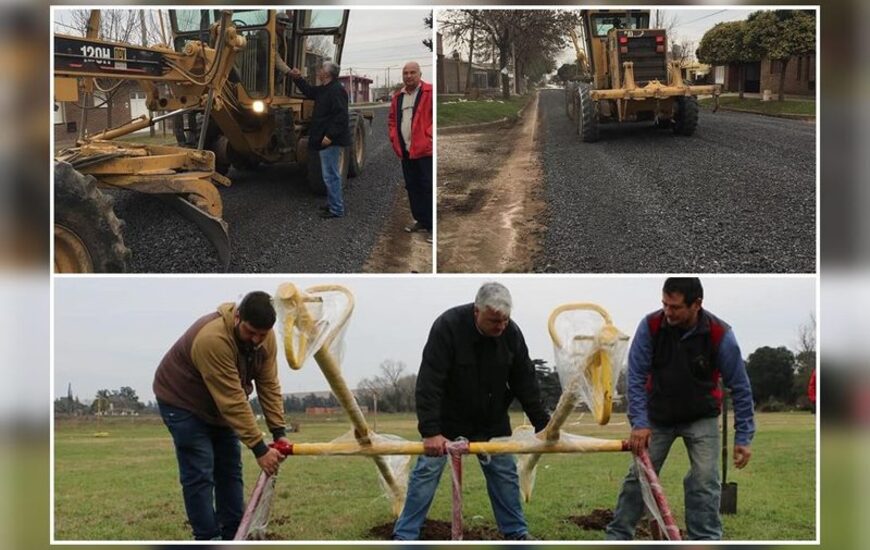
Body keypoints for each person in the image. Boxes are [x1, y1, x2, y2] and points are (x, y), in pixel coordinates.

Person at [392, 282, 550, 541]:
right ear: (477, 311)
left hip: (492, 421)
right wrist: (431, 432)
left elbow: (525, 381)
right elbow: (430, 381)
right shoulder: (448, 327)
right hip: (447, 422)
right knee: (426, 474)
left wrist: (543, 425)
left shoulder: (511, 334)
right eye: (493, 321)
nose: (500, 326)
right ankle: (405, 536)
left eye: (505, 320)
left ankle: (516, 534)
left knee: (504, 475)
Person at [605, 278, 756, 541]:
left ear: (697, 304)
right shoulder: (650, 326)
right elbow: (636, 377)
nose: (668, 312)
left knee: (704, 481)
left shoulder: (720, 334)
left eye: (674, 307)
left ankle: (705, 539)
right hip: (658, 416)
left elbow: (740, 387)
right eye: (664, 304)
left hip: (701, 416)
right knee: (638, 478)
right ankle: (618, 536)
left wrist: (744, 437)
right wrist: (639, 423)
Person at [153, 291, 288, 540]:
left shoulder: (265, 339)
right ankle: (207, 538)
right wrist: (260, 449)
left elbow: (268, 384)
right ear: (237, 317)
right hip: (183, 402)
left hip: (219, 405)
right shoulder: (213, 339)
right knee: (200, 470)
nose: (257, 340)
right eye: (250, 332)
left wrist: (279, 432)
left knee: (229, 469)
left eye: (263, 333)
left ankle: (233, 534)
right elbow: (232, 400)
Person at [277, 59, 350, 219]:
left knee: (331, 175)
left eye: (321, 68)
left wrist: (330, 136)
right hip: (323, 139)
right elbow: (309, 91)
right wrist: (297, 78)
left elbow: (341, 117)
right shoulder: (325, 89)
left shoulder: (337, 90)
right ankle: (332, 204)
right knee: (328, 175)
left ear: (328, 73)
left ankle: (337, 209)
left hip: (330, 141)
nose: (318, 71)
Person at [388, 61, 433, 243]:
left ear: (420, 74)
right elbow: (392, 120)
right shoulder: (398, 97)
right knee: (412, 187)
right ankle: (421, 220)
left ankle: (432, 226)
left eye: (412, 72)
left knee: (427, 187)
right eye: (405, 73)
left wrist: (428, 138)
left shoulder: (430, 93)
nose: (408, 76)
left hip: (424, 152)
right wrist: (394, 139)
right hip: (406, 152)